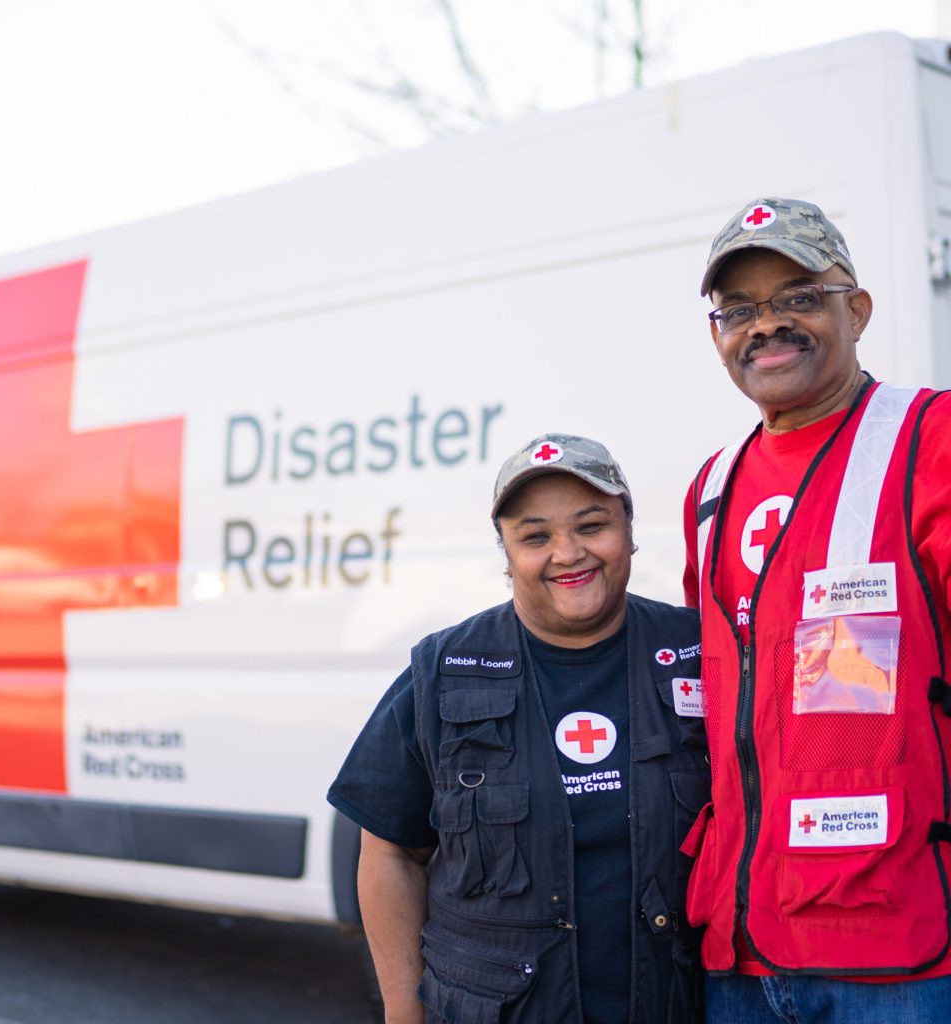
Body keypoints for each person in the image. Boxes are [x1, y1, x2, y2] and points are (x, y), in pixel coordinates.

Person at [329, 434, 709, 1023]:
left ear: (629, 531)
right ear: (506, 554)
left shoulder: (697, 651)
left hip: (676, 1004)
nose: (568, 553)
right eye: (536, 536)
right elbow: (389, 852)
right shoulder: (443, 669)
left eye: (591, 526)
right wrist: (405, 1014)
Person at [682, 197, 951, 1021]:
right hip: (741, 956)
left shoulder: (930, 439)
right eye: (741, 310)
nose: (767, 326)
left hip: (896, 961)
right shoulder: (711, 486)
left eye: (799, 297)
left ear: (857, 310)